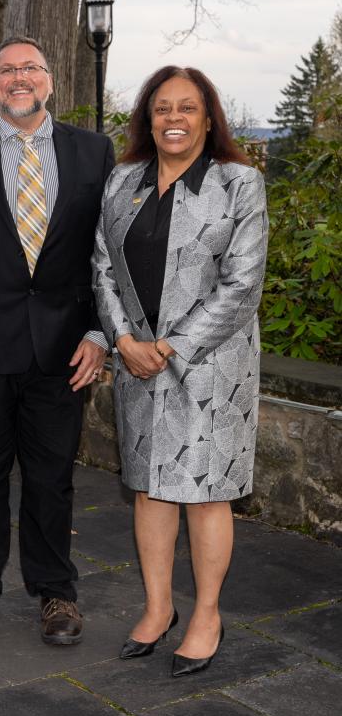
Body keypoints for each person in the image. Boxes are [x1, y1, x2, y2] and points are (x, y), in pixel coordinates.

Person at [0, 36, 114, 645]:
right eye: (7, 70)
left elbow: (105, 254)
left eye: (30, 68)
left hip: (66, 348)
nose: (19, 78)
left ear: (51, 80)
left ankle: (56, 593)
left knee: (52, 476)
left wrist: (99, 332)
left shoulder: (95, 153)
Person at [91, 66, 267, 677]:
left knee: (205, 494)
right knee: (148, 487)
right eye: (162, 108)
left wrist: (167, 348)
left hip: (210, 368)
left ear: (208, 118)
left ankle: (207, 614)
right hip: (137, 363)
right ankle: (159, 606)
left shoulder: (239, 184)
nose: (173, 119)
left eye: (187, 108)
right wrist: (121, 338)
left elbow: (243, 285)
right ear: (148, 118)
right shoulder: (122, 182)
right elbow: (102, 268)